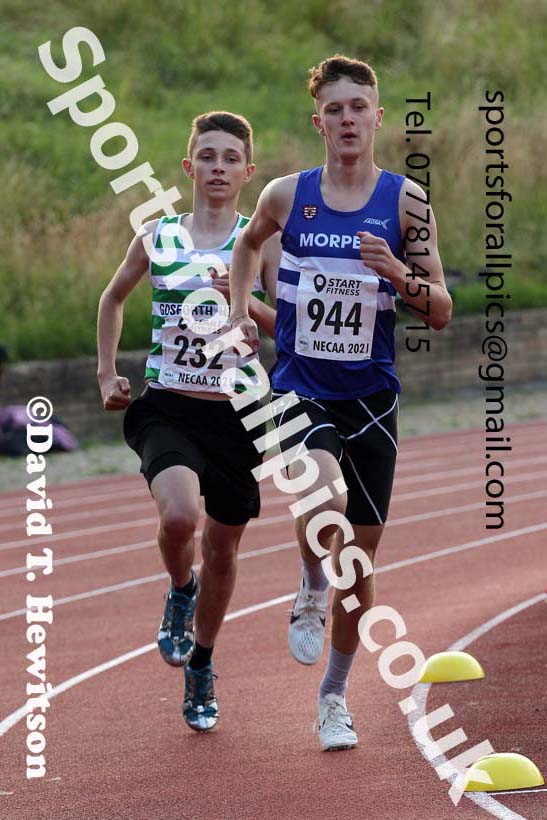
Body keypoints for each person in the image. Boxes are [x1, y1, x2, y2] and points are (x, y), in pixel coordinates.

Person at [229, 55, 452, 750]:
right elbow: (245, 249)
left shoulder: (406, 201)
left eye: (359, 107)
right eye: (335, 109)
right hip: (300, 388)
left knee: (359, 569)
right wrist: (240, 309)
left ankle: (333, 697)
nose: (347, 119)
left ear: (377, 117)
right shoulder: (285, 196)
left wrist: (395, 273)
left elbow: (440, 309)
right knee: (320, 499)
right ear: (318, 120)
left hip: (374, 400)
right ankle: (307, 584)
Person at [97, 111, 278, 732]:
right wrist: (105, 373)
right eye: (208, 156)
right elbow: (113, 297)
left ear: (248, 172)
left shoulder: (259, 243)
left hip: (236, 416)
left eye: (231, 158)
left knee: (224, 550)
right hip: (168, 407)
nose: (219, 167)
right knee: (180, 517)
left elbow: (290, 325)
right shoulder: (157, 236)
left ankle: (202, 663)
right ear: (189, 166)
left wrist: (242, 298)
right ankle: (180, 588)